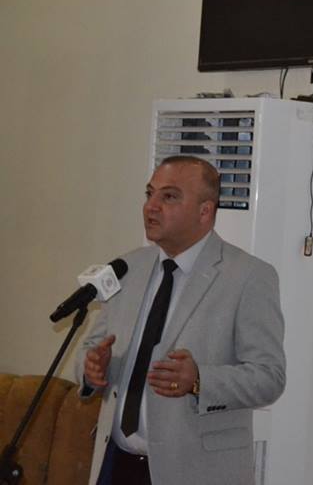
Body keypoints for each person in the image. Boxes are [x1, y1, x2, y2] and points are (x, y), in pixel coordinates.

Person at [77, 155, 285, 485]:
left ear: (205, 211)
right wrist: (92, 369)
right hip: (117, 462)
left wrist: (200, 379)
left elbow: (269, 377)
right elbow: (93, 347)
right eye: (150, 194)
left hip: (196, 470)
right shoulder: (127, 268)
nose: (151, 206)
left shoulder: (248, 276)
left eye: (169, 196)